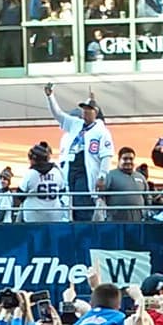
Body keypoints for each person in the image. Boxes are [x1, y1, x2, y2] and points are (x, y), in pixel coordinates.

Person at [45, 84, 113, 222]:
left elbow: (106, 155)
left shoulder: (101, 131)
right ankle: (75, 227)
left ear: (95, 112)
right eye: (84, 109)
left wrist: (102, 176)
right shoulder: (76, 124)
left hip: (85, 169)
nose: (85, 112)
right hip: (70, 167)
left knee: (83, 203)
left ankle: (83, 229)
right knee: (70, 200)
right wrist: (50, 97)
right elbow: (58, 115)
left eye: (89, 110)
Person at [16, 142, 69, 223]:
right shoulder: (57, 171)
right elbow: (62, 191)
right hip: (54, 216)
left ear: (33, 160)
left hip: (33, 217)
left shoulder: (31, 173)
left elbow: (20, 194)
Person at [97, 147, 150, 221]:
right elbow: (101, 195)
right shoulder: (110, 175)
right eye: (125, 159)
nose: (128, 161)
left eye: (131, 159)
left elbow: (147, 196)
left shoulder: (140, 177)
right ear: (119, 160)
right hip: (116, 217)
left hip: (138, 217)